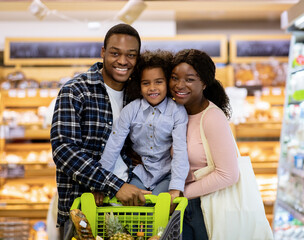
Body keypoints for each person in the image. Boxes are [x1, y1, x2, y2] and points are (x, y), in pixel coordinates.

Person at [50, 23, 151, 239]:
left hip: (134, 208)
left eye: (131, 55)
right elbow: (64, 151)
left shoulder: (138, 95)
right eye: (115, 53)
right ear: (103, 52)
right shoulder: (76, 91)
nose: (123, 61)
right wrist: (114, 186)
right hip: (85, 209)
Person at [100, 50, 189, 202]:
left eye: (159, 82)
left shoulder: (177, 111)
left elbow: (180, 150)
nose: (152, 88)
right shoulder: (131, 110)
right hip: (140, 173)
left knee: (159, 208)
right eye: (146, 83)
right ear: (138, 85)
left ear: (167, 82)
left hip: (167, 175)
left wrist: (176, 188)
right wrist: (101, 184)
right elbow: (113, 145)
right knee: (132, 207)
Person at [169, 49, 239, 240]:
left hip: (205, 207)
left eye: (189, 79)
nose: (179, 85)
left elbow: (228, 174)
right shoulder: (175, 112)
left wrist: (182, 195)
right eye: (175, 78)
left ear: (204, 83)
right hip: (182, 207)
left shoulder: (212, 117)